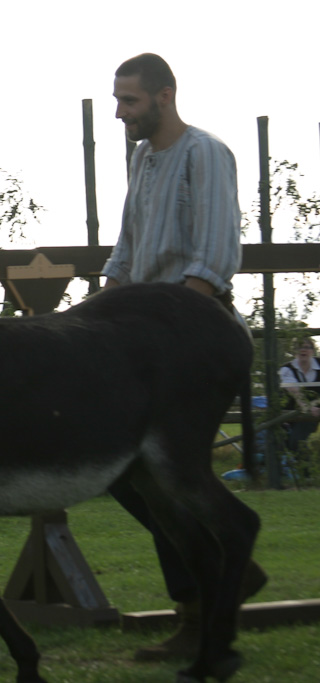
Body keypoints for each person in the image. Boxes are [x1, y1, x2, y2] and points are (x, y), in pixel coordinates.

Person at [102, 53, 267, 662]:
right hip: (148, 338)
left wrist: (162, 332)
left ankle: (199, 613)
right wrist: (86, 321)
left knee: (164, 472)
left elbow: (213, 257)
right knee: (124, 470)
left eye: (130, 100)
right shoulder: (143, 159)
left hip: (196, 339)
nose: (120, 112)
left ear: (164, 96)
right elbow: (127, 252)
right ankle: (222, 572)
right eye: (118, 100)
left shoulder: (206, 154)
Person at [279, 337, 320, 455]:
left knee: (296, 442)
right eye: (299, 347)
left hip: (312, 414)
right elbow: (295, 391)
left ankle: (303, 464)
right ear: (295, 351)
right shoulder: (286, 369)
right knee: (283, 443)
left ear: (312, 350)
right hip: (290, 413)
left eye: (306, 347)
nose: (303, 350)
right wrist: (309, 407)